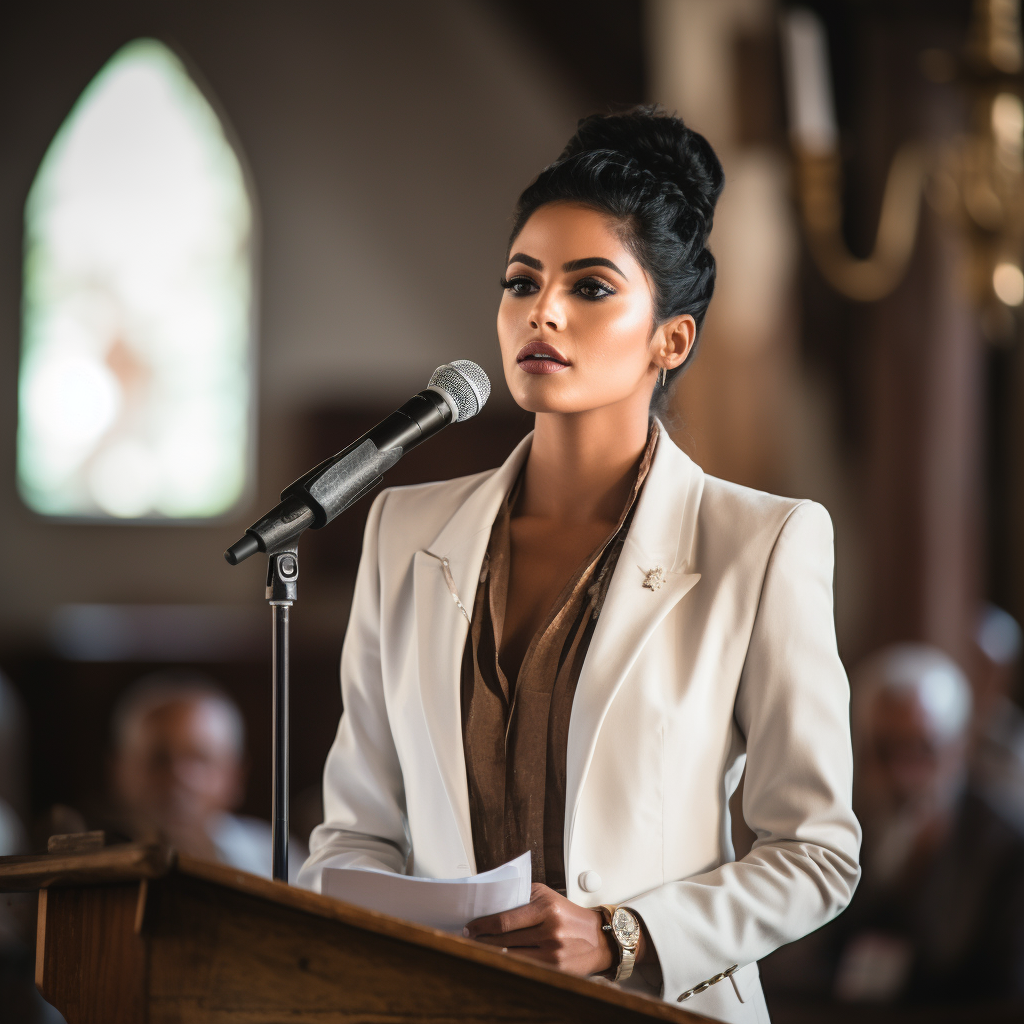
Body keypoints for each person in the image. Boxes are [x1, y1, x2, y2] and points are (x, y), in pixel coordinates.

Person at [298, 106, 860, 1023]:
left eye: (591, 288)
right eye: (522, 282)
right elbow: (356, 834)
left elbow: (819, 854)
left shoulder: (762, 543)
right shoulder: (401, 529)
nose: (542, 310)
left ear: (670, 339)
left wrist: (622, 934)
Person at [761, 644, 1024, 1006]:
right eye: (885, 751)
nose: (902, 774)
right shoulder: (845, 832)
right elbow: (799, 959)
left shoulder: (1007, 850)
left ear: (958, 748)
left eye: (921, 749)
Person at [110, 672, 305, 881]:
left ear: (235, 774)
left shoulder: (277, 860)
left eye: (199, 759)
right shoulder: (88, 861)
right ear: (119, 769)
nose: (178, 776)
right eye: (159, 758)